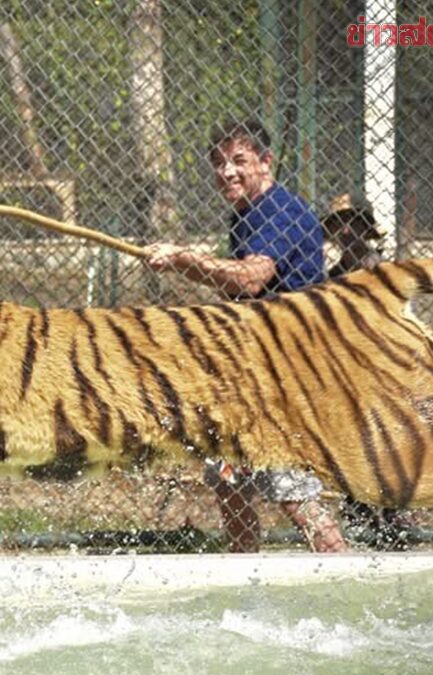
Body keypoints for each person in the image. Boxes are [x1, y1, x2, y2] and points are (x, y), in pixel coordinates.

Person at [143, 118, 347, 553]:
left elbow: (252, 278)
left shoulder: (280, 211)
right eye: (218, 163)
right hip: (254, 375)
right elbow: (236, 287)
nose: (227, 171)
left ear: (265, 161)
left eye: (239, 160)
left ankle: (342, 567)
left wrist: (183, 259)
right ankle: (243, 571)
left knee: (291, 491)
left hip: (287, 375)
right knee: (227, 480)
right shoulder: (246, 216)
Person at [322, 192, 413, 550]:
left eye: (353, 222)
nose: (345, 230)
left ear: (365, 227)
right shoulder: (332, 276)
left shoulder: (385, 274)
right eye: (338, 223)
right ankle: (361, 522)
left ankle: (396, 528)